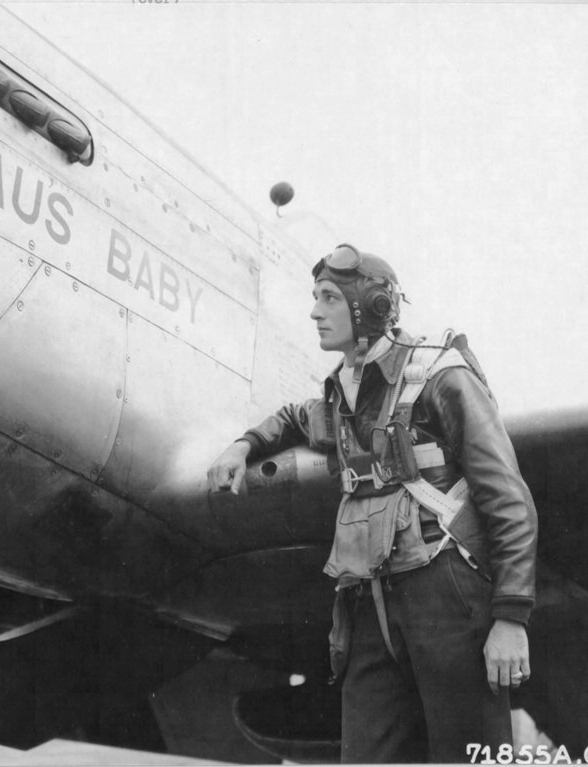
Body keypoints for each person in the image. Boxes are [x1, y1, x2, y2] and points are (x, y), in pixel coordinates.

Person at [207, 244, 538, 763]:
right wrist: (244, 444)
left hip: (446, 596)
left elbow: (508, 497)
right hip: (369, 601)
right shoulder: (344, 393)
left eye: (329, 298)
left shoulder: (440, 376)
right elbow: (297, 416)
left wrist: (511, 617)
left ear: (371, 307)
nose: (315, 311)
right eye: (315, 297)